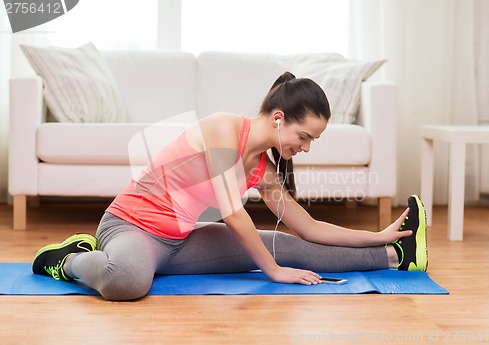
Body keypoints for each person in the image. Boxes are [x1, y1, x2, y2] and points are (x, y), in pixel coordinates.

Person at [32, 72, 428, 301]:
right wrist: (272, 272)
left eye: (312, 142)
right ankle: (68, 259)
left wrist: (375, 235)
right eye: (304, 136)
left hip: (180, 242)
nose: (304, 148)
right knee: (127, 282)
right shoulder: (223, 129)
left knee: (289, 245)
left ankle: (395, 255)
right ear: (278, 118)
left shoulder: (265, 170)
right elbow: (231, 213)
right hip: (131, 228)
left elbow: (308, 228)